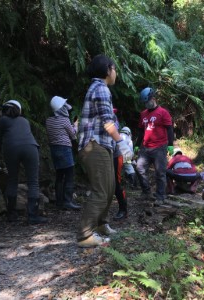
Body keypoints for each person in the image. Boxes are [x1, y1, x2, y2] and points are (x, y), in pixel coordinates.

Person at [76, 54, 133, 248]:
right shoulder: (100, 87)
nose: (116, 72)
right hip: (94, 145)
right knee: (101, 190)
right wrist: (122, 143)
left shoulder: (100, 88)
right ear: (108, 70)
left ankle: (100, 225)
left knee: (109, 189)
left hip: (103, 145)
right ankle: (85, 235)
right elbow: (107, 121)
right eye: (115, 68)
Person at [0, 100, 47, 224]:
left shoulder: (1, 121)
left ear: (4, 110)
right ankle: (33, 216)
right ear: (19, 110)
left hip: (11, 149)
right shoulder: (25, 121)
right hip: (31, 148)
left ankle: (11, 215)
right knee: (33, 182)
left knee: (12, 180)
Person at [135, 87, 174, 206]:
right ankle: (146, 192)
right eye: (144, 103)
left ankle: (160, 196)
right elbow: (141, 131)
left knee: (160, 173)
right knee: (139, 168)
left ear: (153, 99)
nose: (146, 104)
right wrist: (137, 145)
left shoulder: (163, 112)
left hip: (159, 147)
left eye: (148, 102)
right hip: (145, 147)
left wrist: (170, 145)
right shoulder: (143, 114)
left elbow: (170, 129)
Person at [46, 96, 81, 210]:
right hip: (65, 149)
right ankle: (68, 201)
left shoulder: (48, 120)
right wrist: (75, 125)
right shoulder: (65, 120)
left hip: (54, 150)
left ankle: (59, 202)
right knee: (69, 176)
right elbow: (72, 135)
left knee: (59, 176)